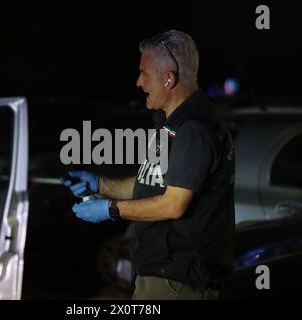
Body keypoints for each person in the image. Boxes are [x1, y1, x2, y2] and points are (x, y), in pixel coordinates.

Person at [62, 30, 235, 300]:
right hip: (163, 274)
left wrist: (111, 210)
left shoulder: (194, 129)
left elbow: (173, 204)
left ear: (169, 78)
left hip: (179, 279)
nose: (138, 81)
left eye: (145, 73)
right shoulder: (171, 125)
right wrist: (99, 184)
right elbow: (149, 184)